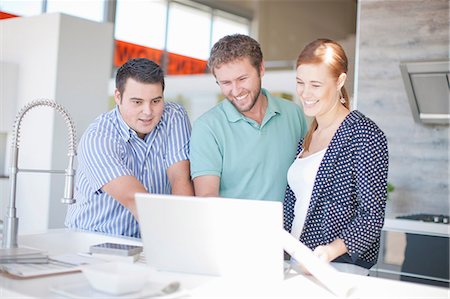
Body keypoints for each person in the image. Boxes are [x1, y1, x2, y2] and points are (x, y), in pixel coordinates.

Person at [283, 38, 389, 275]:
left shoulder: (364, 134)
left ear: (340, 81)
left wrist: (328, 252)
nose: (305, 93)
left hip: (336, 269)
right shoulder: (308, 137)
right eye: (300, 82)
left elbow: (371, 217)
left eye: (315, 85)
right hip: (296, 263)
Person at [65, 58, 194, 238]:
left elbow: (180, 180)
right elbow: (136, 200)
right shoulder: (99, 138)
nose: (148, 111)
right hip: (94, 241)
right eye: (137, 102)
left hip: (145, 241)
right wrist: (176, 239)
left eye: (156, 101)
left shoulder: (174, 117)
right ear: (118, 97)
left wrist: (187, 236)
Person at [190, 34, 307, 201]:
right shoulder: (207, 127)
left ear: (261, 69)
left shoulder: (293, 114)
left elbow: (306, 178)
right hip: (235, 227)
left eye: (242, 79)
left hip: (289, 226)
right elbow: (207, 197)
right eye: (226, 83)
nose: (236, 91)